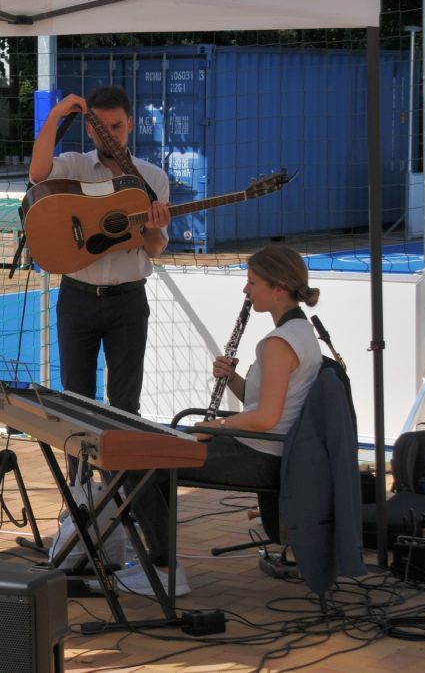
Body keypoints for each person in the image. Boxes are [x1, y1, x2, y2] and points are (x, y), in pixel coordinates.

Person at [122, 245, 323, 597]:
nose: (246, 290)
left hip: (261, 456)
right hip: (266, 449)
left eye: (253, 283)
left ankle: (165, 570)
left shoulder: (279, 343)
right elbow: (265, 403)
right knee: (158, 449)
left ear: (278, 288)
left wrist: (213, 427)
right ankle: (161, 560)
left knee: (137, 463)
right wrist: (232, 379)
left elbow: (265, 417)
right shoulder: (300, 333)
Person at [29, 86, 171, 423]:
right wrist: (56, 115)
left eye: (118, 126)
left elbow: (154, 249)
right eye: (102, 128)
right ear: (90, 129)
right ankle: (79, 478)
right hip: (77, 298)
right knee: (75, 403)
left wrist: (153, 227)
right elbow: (37, 174)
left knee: (125, 405)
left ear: (131, 125)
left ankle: (117, 478)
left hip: (128, 302)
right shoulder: (74, 166)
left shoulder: (153, 178)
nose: (110, 135)